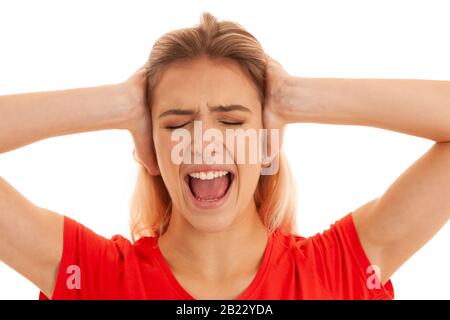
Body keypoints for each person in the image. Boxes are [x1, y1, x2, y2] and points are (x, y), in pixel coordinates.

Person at [0, 12, 448, 300]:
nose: (204, 142)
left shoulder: (340, 272)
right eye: (176, 124)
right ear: (150, 145)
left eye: (232, 121)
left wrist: (293, 96)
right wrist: (120, 105)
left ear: (266, 141)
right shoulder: (93, 277)